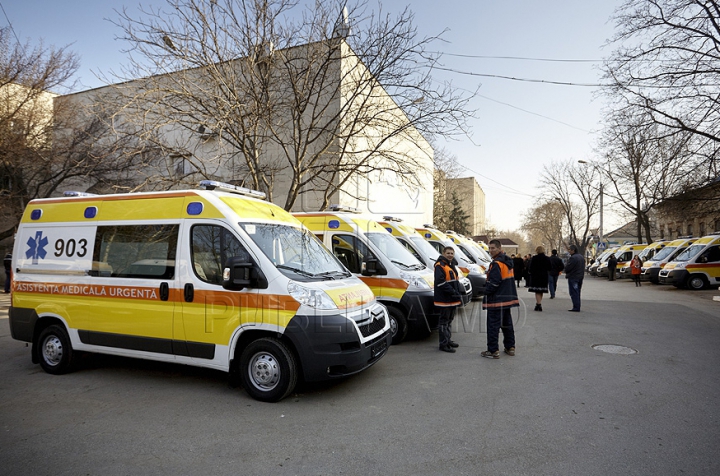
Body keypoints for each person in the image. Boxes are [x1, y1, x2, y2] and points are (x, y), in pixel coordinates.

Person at [481, 239, 518, 359]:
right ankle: (510, 347)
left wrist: (484, 291)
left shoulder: (496, 263)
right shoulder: (507, 262)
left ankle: (493, 350)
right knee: (507, 324)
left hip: (496, 300)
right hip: (507, 298)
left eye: (493, 248)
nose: (490, 250)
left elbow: (494, 283)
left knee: (493, 326)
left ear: (499, 248)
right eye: (489, 248)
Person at [434, 246, 463, 353]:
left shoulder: (450, 265)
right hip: (444, 300)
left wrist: (457, 292)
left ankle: (447, 340)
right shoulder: (439, 266)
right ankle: (443, 344)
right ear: (443, 253)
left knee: (449, 321)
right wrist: (453, 292)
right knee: (444, 322)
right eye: (448, 253)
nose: (450, 255)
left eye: (452, 253)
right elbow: (440, 282)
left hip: (451, 299)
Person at [527, 246, 551, 311]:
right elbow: (549, 267)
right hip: (544, 276)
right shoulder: (547, 258)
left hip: (536, 276)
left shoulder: (534, 258)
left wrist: (531, 273)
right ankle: (539, 303)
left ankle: (538, 304)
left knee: (537, 290)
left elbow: (531, 267)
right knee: (541, 290)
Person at [565, 244, 584, 312]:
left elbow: (568, 268)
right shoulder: (581, 257)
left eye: (570, 250)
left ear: (573, 250)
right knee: (577, 292)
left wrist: (566, 269)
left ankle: (576, 307)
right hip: (580, 277)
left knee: (574, 292)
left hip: (573, 277)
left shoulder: (573, 258)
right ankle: (577, 306)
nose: (569, 251)